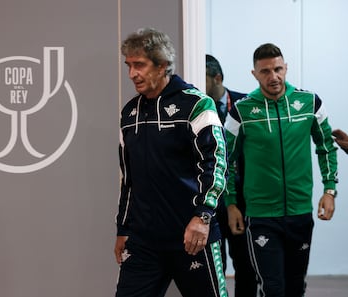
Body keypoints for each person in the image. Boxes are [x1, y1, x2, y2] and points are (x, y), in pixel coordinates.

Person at [114, 28, 228, 297]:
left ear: (162, 65)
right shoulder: (130, 113)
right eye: (129, 66)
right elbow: (128, 179)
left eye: (139, 65)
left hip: (192, 238)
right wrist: (123, 227)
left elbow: (216, 164)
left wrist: (203, 217)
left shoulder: (197, 105)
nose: (132, 74)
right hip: (143, 242)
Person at [224, 43, 338, 297]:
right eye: (265, 71)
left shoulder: (310, 102)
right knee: (273, 288)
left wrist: (330, 190)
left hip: (300, 212)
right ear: (254, 74)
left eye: (277, 69)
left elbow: (326, 147)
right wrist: (231, 203)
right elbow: (225, 158)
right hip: (261, 216)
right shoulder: (241, 111)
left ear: (286, 68)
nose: (273, 76)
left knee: (295, 287)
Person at [206, 54, 257, 297]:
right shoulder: (198, 108)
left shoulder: (245, 105)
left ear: (218, 78)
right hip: (211, 201)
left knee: (246, 264)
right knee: (216, 268)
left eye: (204, 79)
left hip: (243, 200)